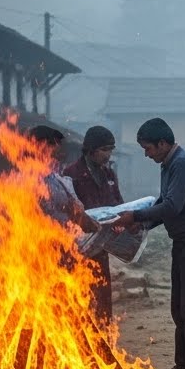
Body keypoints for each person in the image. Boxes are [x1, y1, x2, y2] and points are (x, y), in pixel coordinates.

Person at [112, 118, 185, 369]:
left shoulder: (182, 164)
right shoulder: (169, 164)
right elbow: (164, 203)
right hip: (184, 241)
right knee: (180, 308)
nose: (146, 154)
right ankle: (184, 364)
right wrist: (142, 222)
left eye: (148, 148)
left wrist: (135, 215)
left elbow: (172, 206)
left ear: (163, 143)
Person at [64, 125, 124, 324]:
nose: (108, 155)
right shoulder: (71, 174)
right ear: (91, 150)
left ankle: (103, 339)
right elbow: (67, 210)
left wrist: (124, 221)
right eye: (104, 150)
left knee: (102, 296)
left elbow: (118, 204)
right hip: (78, 248)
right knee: (79, 298)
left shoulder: (109, 175)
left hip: (101, 246)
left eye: (111, 150)